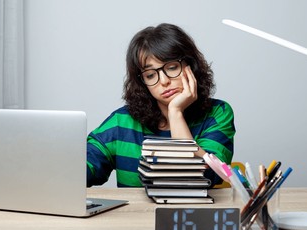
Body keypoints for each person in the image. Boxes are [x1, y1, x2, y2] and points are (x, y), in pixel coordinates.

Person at [87, 23, 235, 187]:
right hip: (137, 213)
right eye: (150, 75)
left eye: (172, 68)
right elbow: (83, 169)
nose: (164, 81)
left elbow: (202, 177)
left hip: (192, 212)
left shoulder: (218, 113)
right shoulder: (121, 121)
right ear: (143, 83)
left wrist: (175, 112)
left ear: (191, 66)